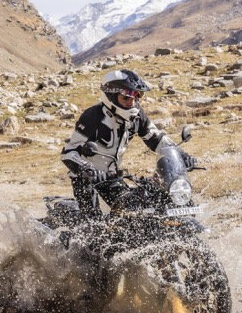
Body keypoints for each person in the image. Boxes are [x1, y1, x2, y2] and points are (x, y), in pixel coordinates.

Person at [61, 69, 193, 216]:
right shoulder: (93, 116)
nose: (131, 102)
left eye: (136, 97)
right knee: (92, 223)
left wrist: (182, 155)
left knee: (131, 211)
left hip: (111, 177)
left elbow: (157, 139)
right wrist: (86, 169)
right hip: (86, 178)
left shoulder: (136, 116)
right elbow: (68, 153)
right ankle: (71, 234)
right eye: (126, 97)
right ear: (110, 95)